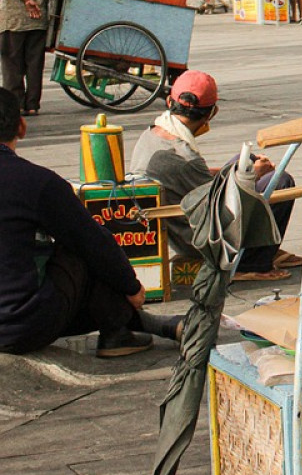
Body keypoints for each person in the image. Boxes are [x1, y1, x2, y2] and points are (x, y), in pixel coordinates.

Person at [0, 89, 181, 357]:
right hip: (20, 326)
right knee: (81, 247)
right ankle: (119, 331)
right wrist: (131, 287)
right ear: (22, 127)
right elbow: (92, 241)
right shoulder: (36, 182)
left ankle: (128, 327)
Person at [128, 71, 302, 282]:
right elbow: (220, 205)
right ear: (212, 113)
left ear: (169, 102)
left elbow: (194, 178)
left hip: (180, 217)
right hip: (198, 235)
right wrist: (254, 174)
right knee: (281, 181)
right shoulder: (184, 156)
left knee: (244, 159)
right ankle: (250, 262)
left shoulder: (151, 134)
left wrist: (241, 167)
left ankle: (264, 247)